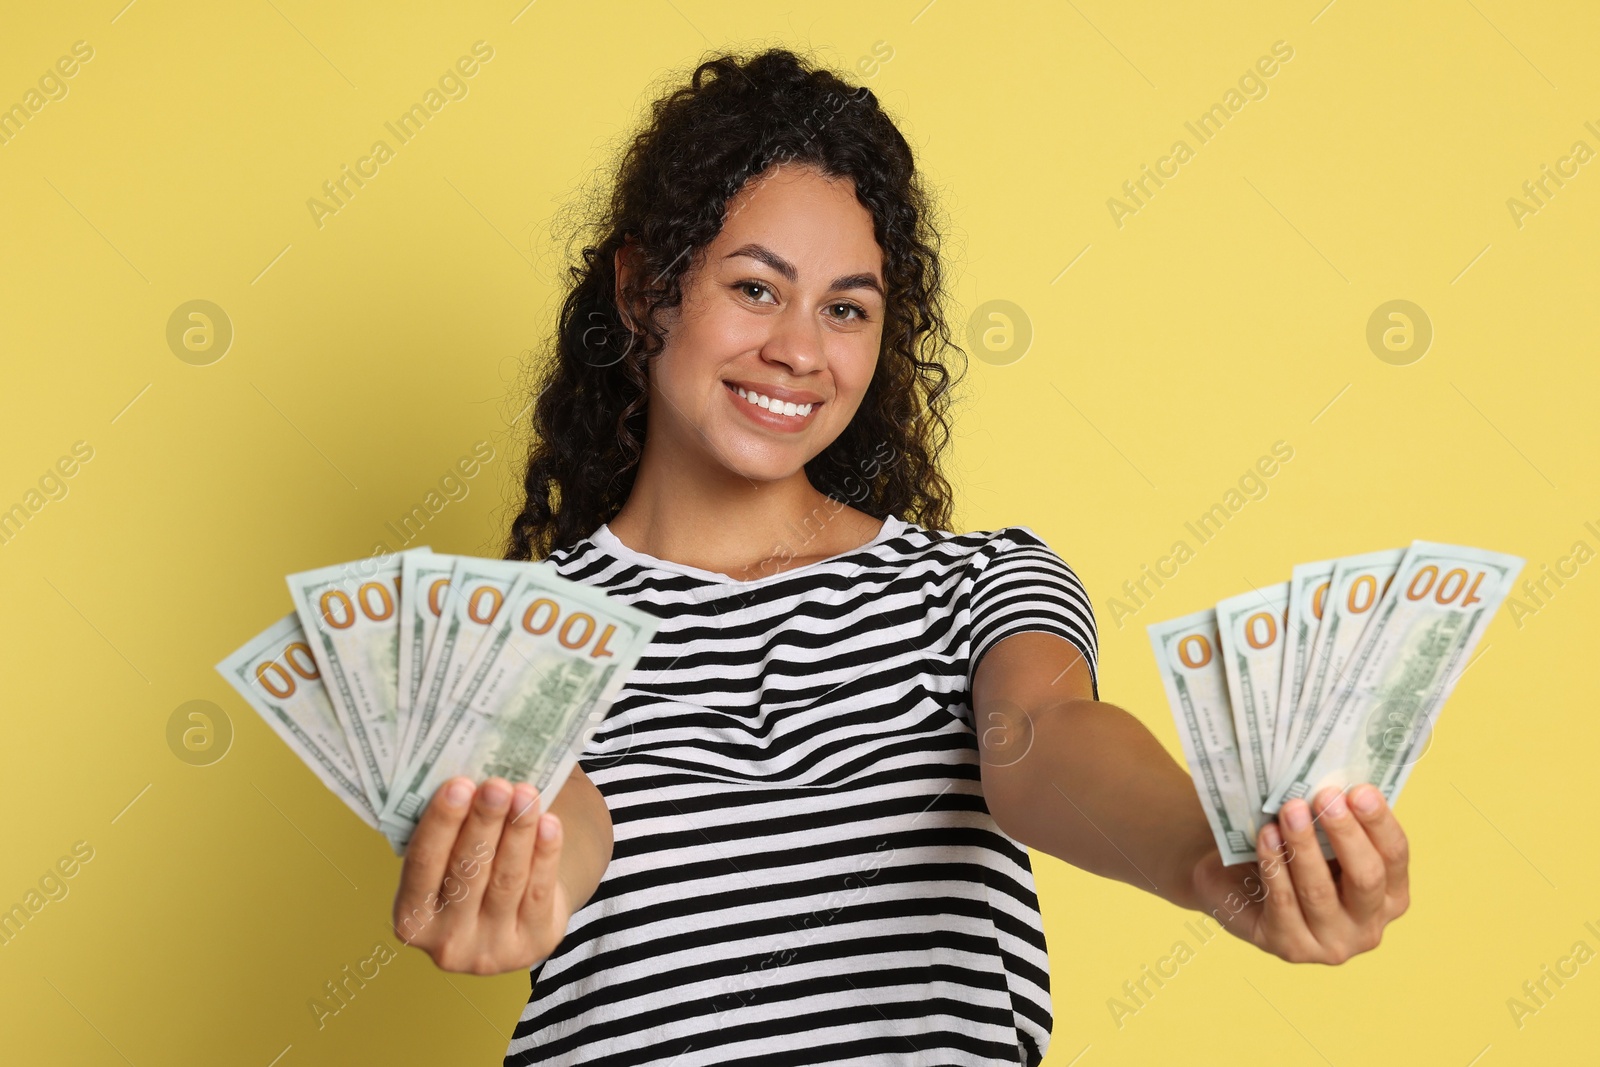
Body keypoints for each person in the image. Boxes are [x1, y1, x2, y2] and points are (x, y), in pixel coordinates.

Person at [390, 48, 1410, 1067]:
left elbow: (1043, 739)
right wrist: (512, 884)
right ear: (641, 287)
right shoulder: (511, 630)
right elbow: (559, 812)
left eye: (846, 308)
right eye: (755, 287)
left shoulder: (975, 585)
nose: (799, 349)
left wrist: (1213, 857)